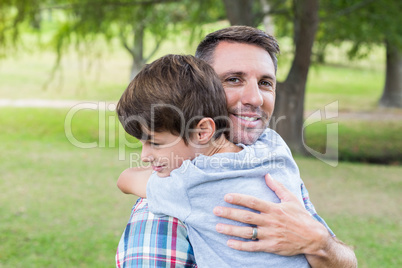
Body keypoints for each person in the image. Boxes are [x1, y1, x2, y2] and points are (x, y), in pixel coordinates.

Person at [116, 26, 357, 267]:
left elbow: (343, 261)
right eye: (233, 79)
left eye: (265, 83)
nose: (255, 98)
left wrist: (320, 243)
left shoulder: (267, 160)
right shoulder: (273, 151)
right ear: (202, 87)